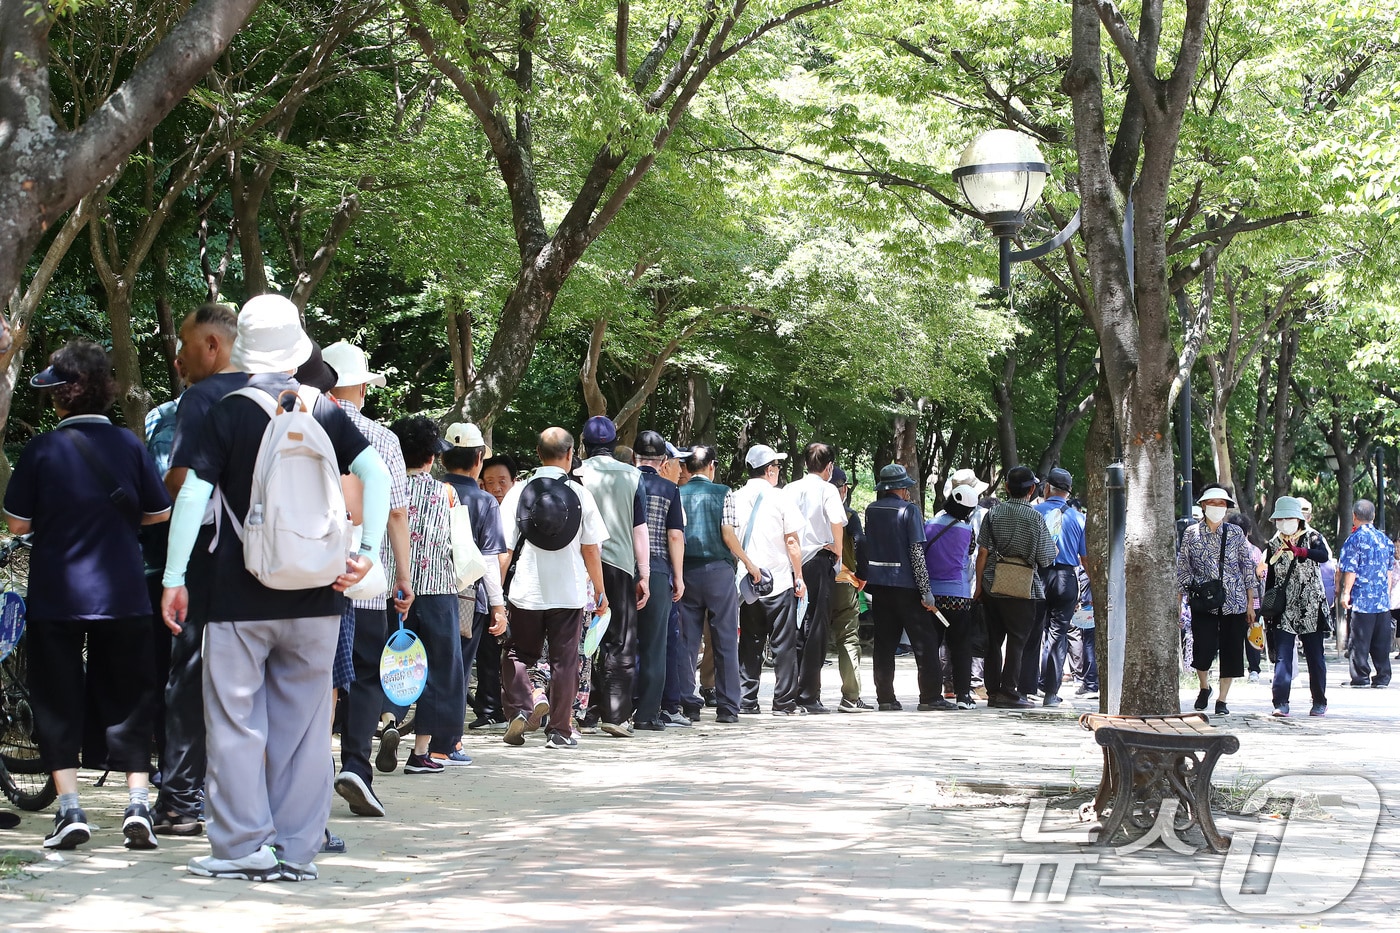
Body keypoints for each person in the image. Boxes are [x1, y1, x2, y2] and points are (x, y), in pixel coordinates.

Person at [161, 294, 391, 881]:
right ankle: (296, 849)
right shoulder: (323, 408)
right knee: (307, 729)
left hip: (238, 596)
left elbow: (191, 494)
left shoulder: (223, 405)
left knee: (237, 723)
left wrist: (174, 577)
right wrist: (366, 555)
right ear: (296, 349)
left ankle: (241, 848)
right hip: (319, 591)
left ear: (239, 346)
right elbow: (375, 474)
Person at [4, 341, 172, 850]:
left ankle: (71, 810)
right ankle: (138, 803)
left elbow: (17, 522)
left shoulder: (42, 450)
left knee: (57, 700)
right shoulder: (129, 445)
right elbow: (159, 511)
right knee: (129, 696)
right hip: (123, 591)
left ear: (60, 398)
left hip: (57, 593)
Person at [152, 303, 246, 837]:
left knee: (189, 672)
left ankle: (182, 800)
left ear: (213, 345)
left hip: (211, 557)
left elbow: (184, 482)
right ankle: (261, 800)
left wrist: (173, 575)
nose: (179, 356)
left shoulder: (202, 397)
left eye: (186, 345)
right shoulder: (279, 394)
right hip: (276, 563)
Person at [321, 340, 413, 816]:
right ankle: (356, 763)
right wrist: (402, 575)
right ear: (358, 385)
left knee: (314, 675)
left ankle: (311, 770)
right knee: (364, 672)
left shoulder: (295, 421)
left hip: (310, 571)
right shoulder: (382, 439)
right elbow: (396, 512)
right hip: (365, 576)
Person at [498, 428, 610, 749]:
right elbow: (591, 549)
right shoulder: (580, 493)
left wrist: (495, 596)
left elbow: (504, 549)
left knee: (518, 652)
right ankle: (560, 731)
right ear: (571, 453)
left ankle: (522, 706)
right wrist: (600, 592)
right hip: (569, 590)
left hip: (526, 590)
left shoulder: (518, 492)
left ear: (537, 453)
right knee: (565, 661)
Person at [388, 417, 464, 774]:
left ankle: (388, 720)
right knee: (436, 668)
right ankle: (421, 752)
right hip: (437, 589)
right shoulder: (445, 492)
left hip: (394, 589)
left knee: (391, 659)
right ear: (432, 457)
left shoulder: (387, 487)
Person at [576, 416, 650, 737]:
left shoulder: (576, 473)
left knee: (584, 638)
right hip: (620, 566)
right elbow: (640, 531)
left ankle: (585, 712)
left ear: (584, 445)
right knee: (620, 640)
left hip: (581, 565)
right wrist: (643, 575)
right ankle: (616, 715)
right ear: (613, 442)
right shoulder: (633, 476)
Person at [439, 422, 509, 752]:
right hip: (469, 599)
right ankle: (449, 742)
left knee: (426, 664)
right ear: (479, 458)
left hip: (424, 594)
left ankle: (397, 724)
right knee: (459, 670)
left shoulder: (431, 491)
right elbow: (490, 560)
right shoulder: (485, 502)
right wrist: (498, 605)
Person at [733, 444, 808, 715]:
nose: (777, 471)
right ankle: (783, 703)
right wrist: (799, 576)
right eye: (776, 467)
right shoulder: (781, 498)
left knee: (750, 642)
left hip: (747, 583)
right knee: (784, 645)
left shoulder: (735, 497)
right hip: (778, 580)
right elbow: (792, 541)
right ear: (768, 470)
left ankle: (746, 700)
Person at [676, 446, 748, 723]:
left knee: (687, 641)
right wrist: (749, 564)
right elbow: (728, 535)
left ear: (686, 468)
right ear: (711, 466)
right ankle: (728, 707)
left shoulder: (677, 493)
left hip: (686, 573)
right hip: (719, 572)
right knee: (725, 640)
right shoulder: (723, 493)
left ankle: (687, 703)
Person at [975, 466, 1057, 709]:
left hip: (992, 583)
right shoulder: (1035, 518)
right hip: (1024, 587)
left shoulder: (993, 514)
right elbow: (1046, 558)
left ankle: (992, 691)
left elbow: (982, 552)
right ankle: (1010, 692)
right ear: (1032, 490)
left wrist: (978, 587)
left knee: (993, 640)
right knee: (1017, 641)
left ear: (1007, 488)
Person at [864, 464, 943, 710]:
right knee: (925, 642)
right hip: (907, 586)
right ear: (900, 488)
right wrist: (926, 590)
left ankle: (885, 698)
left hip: (879, 585)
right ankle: (930, 697)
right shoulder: (910, 512)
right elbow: (916, 552)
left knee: (884, 644)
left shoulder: (871, 510)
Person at [1175, 486, 1258, 716]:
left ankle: (1222, 699)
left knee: (1232, 650)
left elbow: (1247, 568)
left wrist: (1251, 603)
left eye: (1222, 504)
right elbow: (1183, 568)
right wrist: (1178, 602)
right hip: (1203, 600)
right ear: (1203, 506)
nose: (1217, 508)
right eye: (1212, 503)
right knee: (1203, 648)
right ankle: (1204, 686)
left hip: (1234, 600)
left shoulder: (1235, 533)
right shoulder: (1191, 533)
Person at [632, 431, 687, 730]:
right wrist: (678, 576)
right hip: (658, 569)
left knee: (621, 641)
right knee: (654, 645)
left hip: (622, 569)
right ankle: (647, 714)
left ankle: (615, 707)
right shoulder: (669, 489)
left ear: (633, 458)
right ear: (663, 461)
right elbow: (675, 535)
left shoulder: (625, 483)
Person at [786, 442, 846, 714]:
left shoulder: (789, 488)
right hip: (819, 561)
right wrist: (838, 553)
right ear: (829, 467)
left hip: (792, 562)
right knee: (816, 628)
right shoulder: (828, 489)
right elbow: (836, 522)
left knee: (794, 626)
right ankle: (809, 695)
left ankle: (788, 691)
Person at [1263, 497, 1329, 717]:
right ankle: (1280, 702)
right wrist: (1268, 609)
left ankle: (1319, 700)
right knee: (1283, 656)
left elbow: (1323, 556)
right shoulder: (1273, 544)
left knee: (1314, 655)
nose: (1284, 522)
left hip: (1310, 604)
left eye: (1288, 517)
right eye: (1280, 518)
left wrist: (1302, 552)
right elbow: (1270, 578)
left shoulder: (1312, 537)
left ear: (1299, 519)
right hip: (1285, 606)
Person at [923, 473, 981, 709]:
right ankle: (964, 696)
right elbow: (968, 556)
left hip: (933, 598)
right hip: (959, 596)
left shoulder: (928, 526)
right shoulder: (968, 531)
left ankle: (930, 694)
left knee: (932, 646)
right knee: (961, 646)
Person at [1033, 467, 1087, 707]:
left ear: (1046, 488)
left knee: (1034, 631)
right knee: (1059, 634)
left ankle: (1028, 686)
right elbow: (1085, 558)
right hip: (1066, 578)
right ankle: (1050, 692)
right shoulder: (1078, 518)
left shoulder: (1034, 513)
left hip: (1038, 576)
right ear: (1069, 492)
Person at [828, 466, 871, 712]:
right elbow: (860, 542)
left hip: (815, 582)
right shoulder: (848, 515)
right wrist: (863, 575)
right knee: (848, 639)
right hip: (844, 582)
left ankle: (807, 695)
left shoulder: (808, 512)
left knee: (811, 637)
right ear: (843, 489)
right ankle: (851, 697)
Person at [1338, 499, 1393, 689]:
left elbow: (1350, 570)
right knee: (1381, 643)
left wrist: (1345, 593)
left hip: (1362, 601)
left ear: (1354, 516)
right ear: (1374, 516)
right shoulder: (1385, 540)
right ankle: (1383, 676)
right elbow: (1389, 572)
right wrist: (1386, 594)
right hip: (1382, 601)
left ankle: (1361, 677)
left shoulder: (1354, 540)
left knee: (1360, 642)